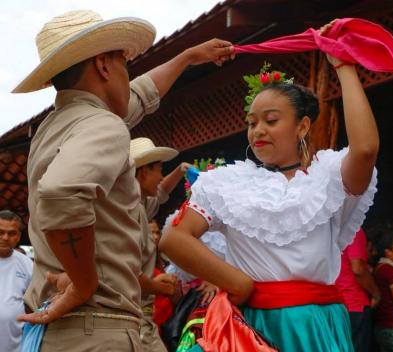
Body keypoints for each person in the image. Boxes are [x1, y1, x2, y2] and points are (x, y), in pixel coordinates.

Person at [15, 9, 234, 351]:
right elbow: (63, 194)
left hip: (71, 330)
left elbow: (138, 97)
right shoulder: (102, 124)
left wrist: (189, 56)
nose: (127, 75)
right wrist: (85, 284)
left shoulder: (57, 126)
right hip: (98, 326)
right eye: (124, 64)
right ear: (103, 66)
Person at [160, 20, 379, 351]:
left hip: (313, 326)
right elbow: (174, 238)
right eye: (252, 122)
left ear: (302, 126)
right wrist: (236, 281)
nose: (258, 130)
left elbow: (365, 150)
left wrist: (343, 65)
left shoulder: (328, 180)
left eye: (271, 120)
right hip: (248, 326)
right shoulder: (226, 184)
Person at [130, 137, 191, 351]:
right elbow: (123, 273)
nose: (161, 177)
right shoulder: (127, 213)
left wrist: (180, 171)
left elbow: (161, 192)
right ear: (144, 172)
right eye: (159, 170)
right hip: (134, 323)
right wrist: (157, 285)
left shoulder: (138, 205)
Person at [335, 228, 381, 352]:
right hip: (354, 303)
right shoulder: (353, 229)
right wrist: (376, 293)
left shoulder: (329, 231)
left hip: (333, 304)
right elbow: (358, 269)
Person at [0, 210, 33, 352]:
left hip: (14, 345)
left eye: (11, 233)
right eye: (0, 232)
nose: (5, 237)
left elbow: (35, 303)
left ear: (19, 236)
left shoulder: (27, 264)